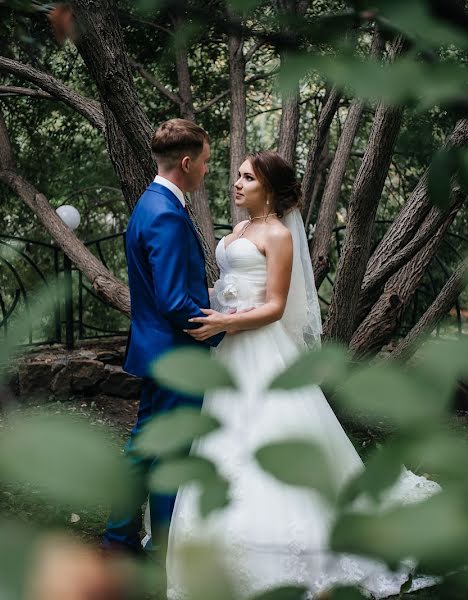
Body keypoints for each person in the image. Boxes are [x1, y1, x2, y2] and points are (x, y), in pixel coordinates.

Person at [166, 151, 441, 598]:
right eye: (237, 175)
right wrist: (212, 305)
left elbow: (275, 307)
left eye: (247, 178)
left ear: (269, 189)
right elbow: (229, 286)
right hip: (232, 351)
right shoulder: (239, 229)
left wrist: (224, 323)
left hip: (258, 348)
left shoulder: (278, 235)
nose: (236, 183)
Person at [102, 118, 223, 555]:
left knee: (146, 447)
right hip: (176, 353)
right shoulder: (167, 214)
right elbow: (174, 301)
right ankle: (153, 546)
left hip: (156, 348)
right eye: (206, 162)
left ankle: (124, 539)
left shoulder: (149, 204)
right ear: (187, 162)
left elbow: (166, 289)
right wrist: (219, 333)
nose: (207, 171)